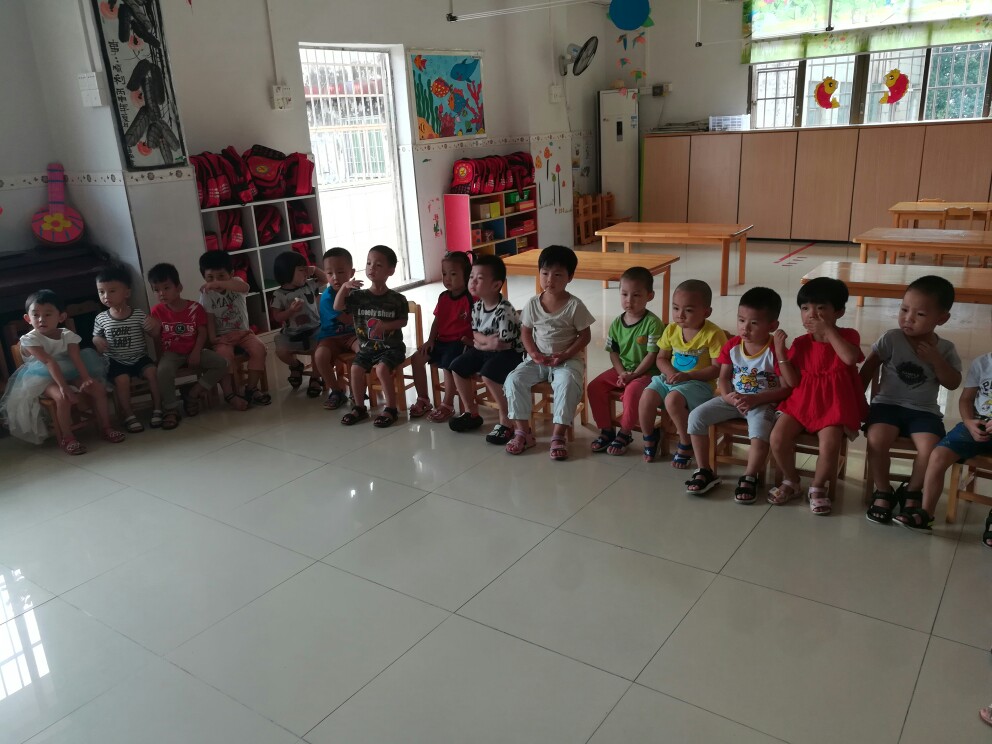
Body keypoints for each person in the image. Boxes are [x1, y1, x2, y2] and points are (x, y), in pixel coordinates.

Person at [860, 276, 961, 525]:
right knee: (877, 439)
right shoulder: (892, 338)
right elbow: (868, 368)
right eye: (904, 309)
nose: (908, 318)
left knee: (930, 448)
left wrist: (935, 359)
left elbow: (952, 383)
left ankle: (912, 492)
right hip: (887, 405)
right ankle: (883, 490)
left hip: (924, 411)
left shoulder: (945, 348)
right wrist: (856, 401)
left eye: (920, 314)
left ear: (942, 318)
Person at [768, 277, 868, 516]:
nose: (811, 315)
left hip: (834, 404)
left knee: (830, 445)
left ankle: (818, 486)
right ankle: (791, 480)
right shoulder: (802, 342)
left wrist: (828, 331)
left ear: (839, 312)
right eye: (805, 308)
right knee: (777, 438)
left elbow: (849, 358)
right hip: (802, 401)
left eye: (820, 308)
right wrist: (781, 353)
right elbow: (792, 382)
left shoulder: (848, 335)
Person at [685, 287, 792, 500]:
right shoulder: (733, 346)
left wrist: (756, 399)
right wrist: (727, 397)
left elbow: (786, 388)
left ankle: (750, 476)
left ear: (772, 326)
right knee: (696, 417)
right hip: (733, 399)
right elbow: (724, 377)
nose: (745, 328)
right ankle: (704, 470)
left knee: (759, 432)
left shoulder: (775, 350)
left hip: (763, 403)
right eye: (741, 320)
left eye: (754, 323)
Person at [0, 290, 124, 454]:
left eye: (48, 314)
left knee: (97, 388)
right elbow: (48, 361)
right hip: (43, 377)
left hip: (71, 371)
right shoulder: (30, 339)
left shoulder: (67, 335)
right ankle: (67, 436)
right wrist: (64, 387)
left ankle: (106, 427)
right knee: (62, 397)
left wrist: (86, 378)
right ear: (27, 318)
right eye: (35, 315)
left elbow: (76, 358)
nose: (41, 319)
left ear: (61, 317)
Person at [503, 245, 594, 460]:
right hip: (538, 360)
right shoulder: (533, 303)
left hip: (567, 360)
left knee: (567, 384)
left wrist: (565, 354)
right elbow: (525, 331)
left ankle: (558, 436)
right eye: (545, 273)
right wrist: (533, 353)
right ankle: (523, 432)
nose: (549, 280)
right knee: (513, 380)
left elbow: (585, 336)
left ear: (570, 277)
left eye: (558, 275)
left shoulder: (575, 305)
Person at [894, 349, 992, 537]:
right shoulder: (982, 363)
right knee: (938, 455)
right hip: (976, 424)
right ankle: (926, 514)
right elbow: (966, 400)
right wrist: (968, 422)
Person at [637, 279, 726, 465]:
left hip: (699, 383)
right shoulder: (671, 329)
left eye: (689, 310)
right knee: (646, 397)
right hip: (670, 378)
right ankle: (650, 437)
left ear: (706, 312)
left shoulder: (713, 334)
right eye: (675, 308)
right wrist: (671, 373)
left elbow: (717, 369)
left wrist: (688, 375)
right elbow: (661, 358)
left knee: (673, 400)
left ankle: (686, 442)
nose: (680, 315)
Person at [587, 266, 663, 457]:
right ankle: (606, 430)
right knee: (595, 387)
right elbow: (613, 352)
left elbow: (652, 355)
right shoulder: (616, 323)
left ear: (650, 296)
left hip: (647, 372)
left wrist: (634, 375)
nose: (629, 300)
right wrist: (622, 373)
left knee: (631, 392)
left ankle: (625, 433)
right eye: (624, 294)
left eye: (636, 295)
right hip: (623, 370)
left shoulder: (653, 323)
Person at [447, 254, 523, 441]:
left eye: (479, 278)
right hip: (486, 350)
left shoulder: (504, 310)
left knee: (489, 374)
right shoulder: (478, 306)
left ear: (496, 285)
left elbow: (503, 344)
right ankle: (471, 412)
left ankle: (507, 421)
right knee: (456, 366)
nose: (472, 282)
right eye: (471, 277)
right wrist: (485, 343)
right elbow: (475, 333)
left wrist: (482, 343)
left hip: (510, 354)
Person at [147, 263, 229, 430]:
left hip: (194, 349)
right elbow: (155, 335)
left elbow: (202, 332)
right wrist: (151, 328)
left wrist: (196, 352)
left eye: (166, 288)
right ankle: (171, 409)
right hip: (171, 353)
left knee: (222, 364)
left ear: (179, 288)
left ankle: (192, 393)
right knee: (163, 371)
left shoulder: (195, 308)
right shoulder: (157, 311)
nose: (161, 293)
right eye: (156, 290)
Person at [335, 245, 409, 428]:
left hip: (391, 348)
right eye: (369, 263)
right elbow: (337, 307)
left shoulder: (397, 299)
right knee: (355, 369)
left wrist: (386, 326)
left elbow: (403, 321)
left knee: (382, 369)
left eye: (378, 265)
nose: (371, 268)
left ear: (390, 271)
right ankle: (359, 407)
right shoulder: (357, 296)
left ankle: (391, 409)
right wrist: (344, 287)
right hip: (367, 348)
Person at [92, 264, 163, 431]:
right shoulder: (101, 318)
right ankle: (129, 415)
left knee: (152, 372)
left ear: (127, 293)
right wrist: (97, 340)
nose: (106, 296)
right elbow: (96, 336)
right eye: (101, 292)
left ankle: (158, 408)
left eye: (112, 291)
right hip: (116, 361)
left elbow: (154, 334)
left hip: (139, 357)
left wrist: (155, 325)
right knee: (122, 380)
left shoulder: (137, 314)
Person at [198, 251, 271, 409]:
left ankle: (251, 388)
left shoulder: (236, 283)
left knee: (259, 349)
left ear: (231, 274)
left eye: (221, 276)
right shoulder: (207, 295)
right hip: (223, 337)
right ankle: (229, 394)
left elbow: (245, 287)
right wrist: (213, 338)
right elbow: (209, 318)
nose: (216, 282)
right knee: (224, 357)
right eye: (210, 278)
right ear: (204, 278)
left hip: (244, 333)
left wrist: (221, 284)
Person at [409, 251, 474, 422]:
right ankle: (423, 399)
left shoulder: (471, 298)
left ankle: (447, 404)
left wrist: (473, 342)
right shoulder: (443, 297)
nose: (447, 279)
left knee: (448, 364)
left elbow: (479, 323)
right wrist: (430, 340)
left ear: (466, 275)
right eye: (444, 274)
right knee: (417, 358)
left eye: (453, 274)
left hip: (460, 343)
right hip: (441, 341)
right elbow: (437, 321)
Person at [269, 251, 327, 397]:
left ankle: (315, 377)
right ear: (287, 273)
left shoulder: (309, 285)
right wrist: (290, 311)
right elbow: (277, 316)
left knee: (319, 351)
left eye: (306, 269)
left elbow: (325, 279)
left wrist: (314, 269)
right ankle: (296, 366)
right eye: (301, 270)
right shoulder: (278, 295)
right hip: (292, 334)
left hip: (315, 330)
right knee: (281, 351)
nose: (306, 273)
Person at [312, 247, 359, 410]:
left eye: (340, 272)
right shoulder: (327, 297)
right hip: (330, 337)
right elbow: (347, 319)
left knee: (363, 350)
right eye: (329, 273)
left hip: (352, 335)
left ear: (351, 272)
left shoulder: (356, 292)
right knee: (320, 356)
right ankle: (336, 391)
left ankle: (358, 388)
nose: (335, 277)